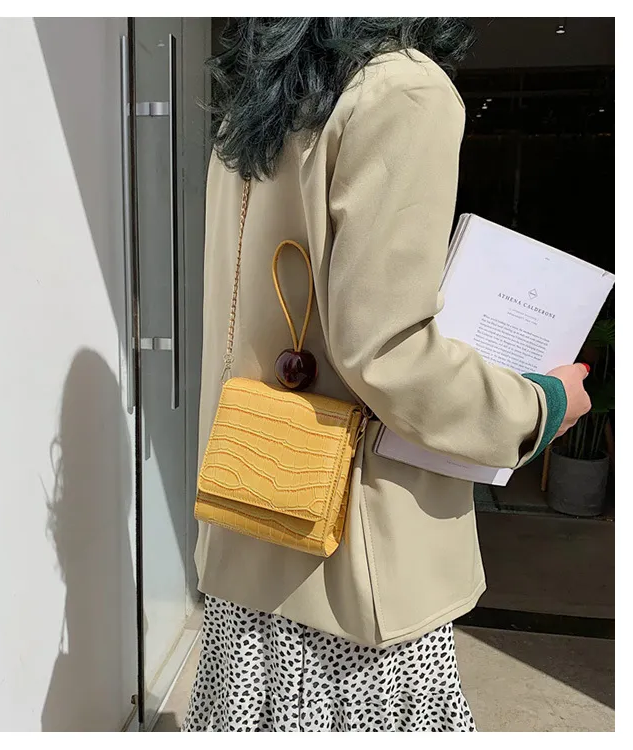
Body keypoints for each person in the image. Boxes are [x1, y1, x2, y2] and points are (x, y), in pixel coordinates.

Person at [183, 18, 591, 732]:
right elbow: (391, 353)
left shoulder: (259, 101)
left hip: (249, 525)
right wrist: (540, 406)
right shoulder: (400, 90)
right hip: (349, 567)